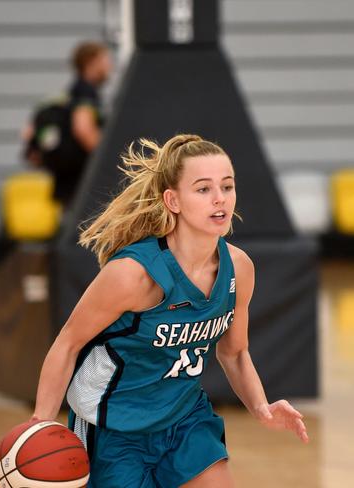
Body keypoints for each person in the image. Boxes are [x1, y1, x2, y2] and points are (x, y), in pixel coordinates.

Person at [31, 134, 309, 487]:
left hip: (184, 419)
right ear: (173, 200)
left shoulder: (239, 268)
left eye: (227, 186)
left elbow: (235, 352)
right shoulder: (133, 274)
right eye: (204, 189)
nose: (220, 198)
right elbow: (68, 343)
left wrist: (261, 407)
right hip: (115, 429)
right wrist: (41, 422)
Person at [24, 41, 112, 205]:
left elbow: (28, 132)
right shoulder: (85, 92)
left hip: (65, 182)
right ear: (91, 62)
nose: (110, 67)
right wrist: (110, 162)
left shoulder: (68, 94)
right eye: (106, 61)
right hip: (82, 181)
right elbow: (83, 128)